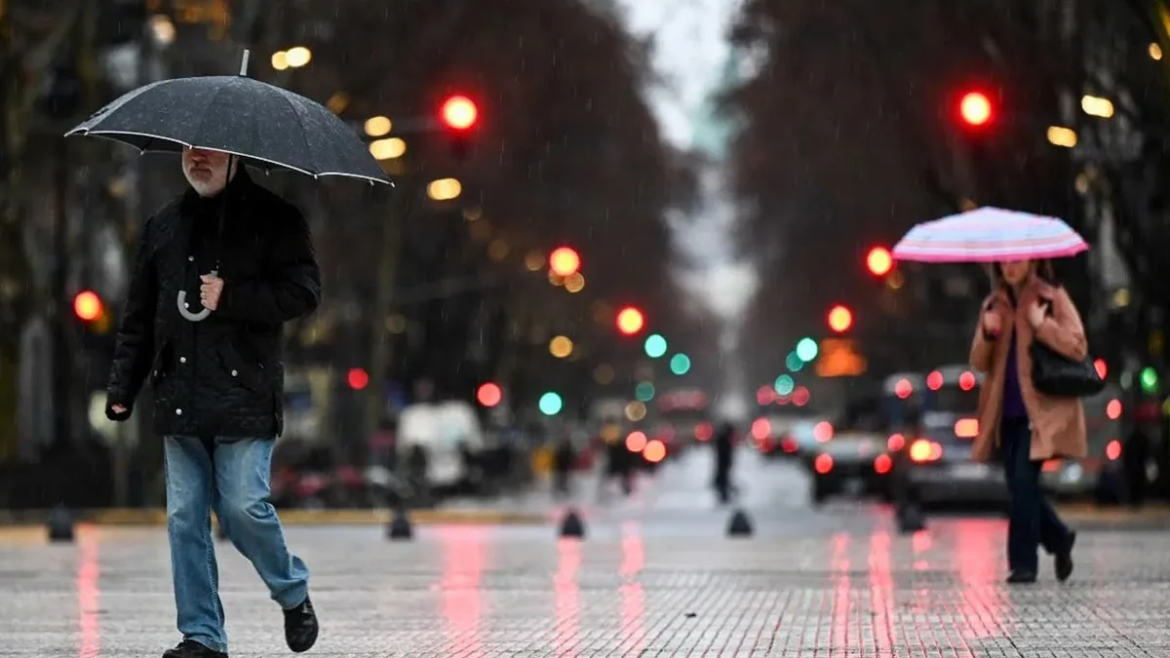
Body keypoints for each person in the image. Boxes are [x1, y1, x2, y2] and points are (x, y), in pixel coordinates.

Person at [105, 146, 321, 658]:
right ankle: (202, 635)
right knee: (185, 520)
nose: (196, 158)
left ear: (236, 155)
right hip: (179, 395)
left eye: (208, 150)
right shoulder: (163, 226)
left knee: (243, 508)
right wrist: (122, 388)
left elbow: (304, 294)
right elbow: (139, 316)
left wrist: (233, 296)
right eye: (188, 148)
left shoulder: (276, 218)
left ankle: (292, 592)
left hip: (244, 394)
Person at [968, 258, 1084, 584]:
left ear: (1032, 260)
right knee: (1021, 488)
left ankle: (1023, 564)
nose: (1010, 266)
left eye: (1017, 259)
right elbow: (978, 362)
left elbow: (1077, 346)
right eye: (1004, 260)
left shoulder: (1051, 297)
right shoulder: (993, 305)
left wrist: (1041, 324)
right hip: (1005, 415)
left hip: (1039, 414)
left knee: (1022, 483)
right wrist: (988, 334)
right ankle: (1059, 538)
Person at [712, 421, 736, 504]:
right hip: (723, 464)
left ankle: (724, 496)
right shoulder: (723, 440)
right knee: (723, 479)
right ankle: (723, 497)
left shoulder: (723, 439)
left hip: (723, 464)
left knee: (724, 479)